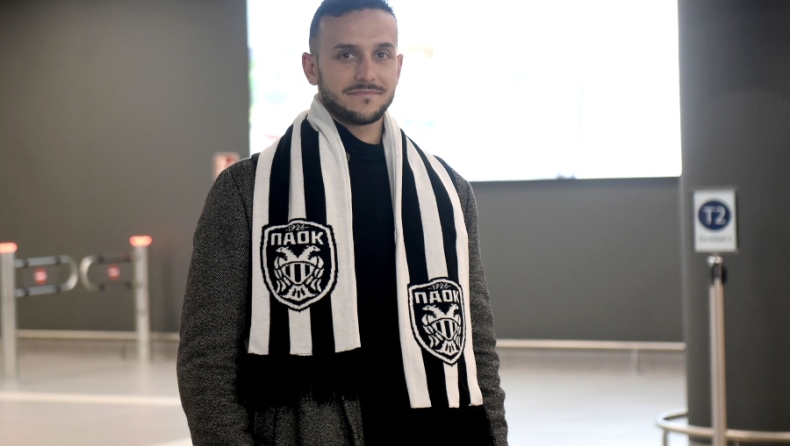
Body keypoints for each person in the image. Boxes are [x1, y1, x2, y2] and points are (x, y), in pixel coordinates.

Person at [177, 0, 507, 444]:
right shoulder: (247, 191)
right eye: (346, 54)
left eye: (381, 54)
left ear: (398, 66)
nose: (366, 72)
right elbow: (207, 360)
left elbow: (475, 342)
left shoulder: (448, 190)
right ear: (311, 66)